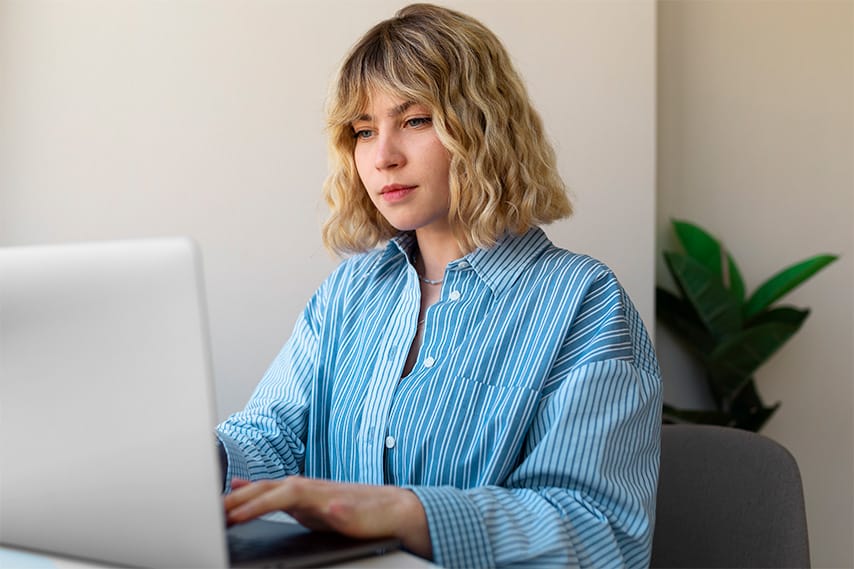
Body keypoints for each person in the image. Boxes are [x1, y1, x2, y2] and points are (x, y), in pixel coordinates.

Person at [217, 4, 662, 567]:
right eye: (363, 131)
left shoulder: (584, 303)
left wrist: (406, 513)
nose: (382, 157)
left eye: (416, 120)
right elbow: (269, 433)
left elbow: (600, 535)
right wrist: (201, 462)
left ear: (483, 126)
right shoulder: (349, 291)